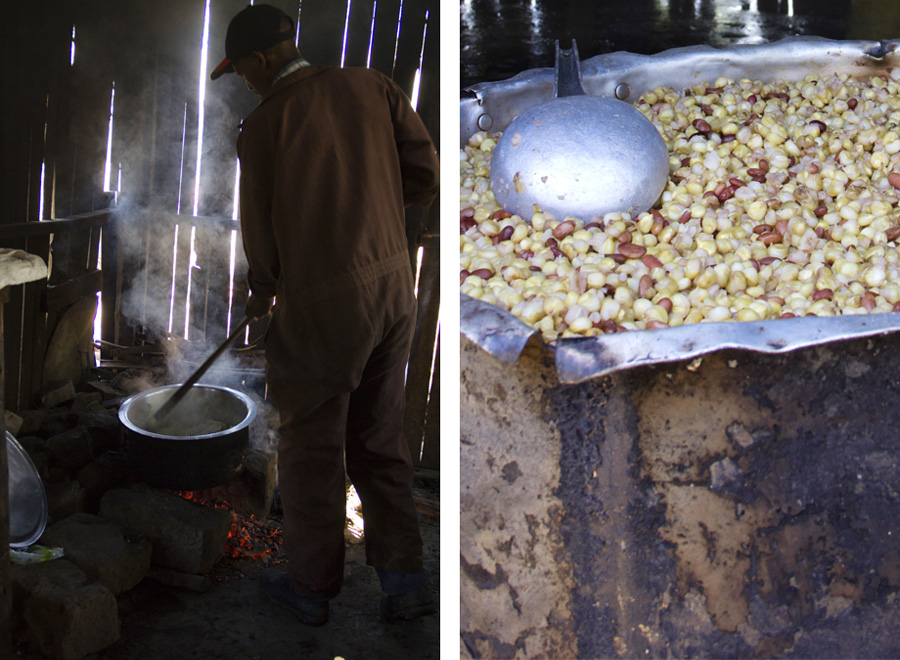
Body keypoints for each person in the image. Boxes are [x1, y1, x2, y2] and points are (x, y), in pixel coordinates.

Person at [210, 4, 440, 626]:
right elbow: (424, 171)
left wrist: (263, 288)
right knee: (380, 437)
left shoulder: (263, 128)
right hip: (394, 289)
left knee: (312, 447)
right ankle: (405, 581)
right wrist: (382, 219)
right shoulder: (371, 87)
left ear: (262, 60)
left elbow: (261, 235)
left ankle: (311, 590)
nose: (245, 85)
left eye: (243, 74)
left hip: (326, 305)